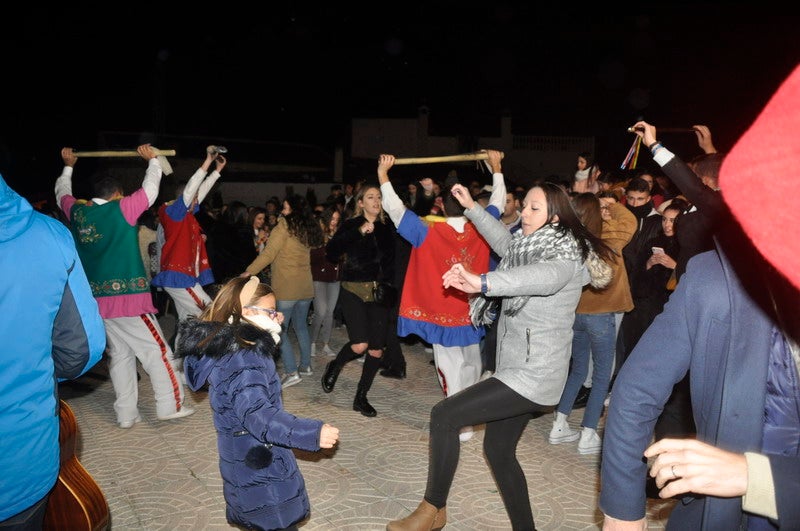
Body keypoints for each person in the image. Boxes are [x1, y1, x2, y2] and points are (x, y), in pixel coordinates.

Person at [599, 64, 800, 530]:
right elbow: (635, 390)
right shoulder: (717, 273)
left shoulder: (708, 206)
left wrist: (756, 478)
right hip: (700, 303)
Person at [386, 180, 613, 530]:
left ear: (555, 217)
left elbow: (538, 278)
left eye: (534, 208)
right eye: (524, 205)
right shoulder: (527, 245)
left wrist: (483, 282)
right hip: (515, 368)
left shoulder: (565, 257)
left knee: (445, 415)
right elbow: (505, 244)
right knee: (499, 452)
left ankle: (434, 510)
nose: (523, 212)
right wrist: (472, 208)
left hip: (534, 374)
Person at [175, 276, 339, 531]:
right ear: (247, 312)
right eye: (272, 312)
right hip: (260, 462)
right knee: (274, 518)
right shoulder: (244, 357)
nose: (278, 317)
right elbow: (257, 414)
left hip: (244, 455)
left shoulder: (231, 344)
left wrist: (269, 324)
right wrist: (311, 433)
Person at [55, 144, 195, 428]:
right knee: (157, 351)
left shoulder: (78, 213)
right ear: (117, 194)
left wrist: (68, 165)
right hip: (128, 299)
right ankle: (170, 404)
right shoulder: (123, 209)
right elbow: (150, 191)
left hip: (98, 302)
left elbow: (61, 195)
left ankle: (126, 413)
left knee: (120, 355)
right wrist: (153, 161)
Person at [377, 151, 507, 442]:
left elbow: (395, 210)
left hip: (439, 314)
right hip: (472, 310)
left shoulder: (427, 229)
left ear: (441, 206)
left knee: (449, 367)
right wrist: (497, 168)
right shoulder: (483, 227)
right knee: (472, 364)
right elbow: (498, 202)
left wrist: (383, 175)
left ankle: (458, 417)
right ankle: (469, 415)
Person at [0, 174, 106, 529]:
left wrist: (66, 171)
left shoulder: (76, 215)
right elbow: (81, 350)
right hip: (20, 463)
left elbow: (65, 199)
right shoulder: (45, 233)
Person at [550, 192, 636, 455]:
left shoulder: (568, 239)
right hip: (601, 316)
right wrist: (612, 205)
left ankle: (559, 425)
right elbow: (630, 220)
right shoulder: (608, 238)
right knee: (601, 376)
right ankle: (588, 434)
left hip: (576, 314)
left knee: (577, 370)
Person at [321, 182, 396, 417]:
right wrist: (357, 232)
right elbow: (332, 252)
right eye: (370, 197)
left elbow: (395, 260)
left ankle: (361, 397)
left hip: (379, 293)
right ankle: (336, 364)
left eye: (379, 197)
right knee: (359, 345)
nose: (376, 201)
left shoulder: (387, 226)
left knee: (376, 350)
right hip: (353, 289)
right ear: (361, 202)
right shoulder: (351, 225)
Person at [242, 194, 324, 388]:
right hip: (305, 287)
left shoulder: (284, 226)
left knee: (281, 330)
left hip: (287, 287)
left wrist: (249, 271)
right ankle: (306, 366)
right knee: (302, 326)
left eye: (285, 208)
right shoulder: (307, 228)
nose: (282, 212)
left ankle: (291, 371)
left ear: (293, 210)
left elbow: (269, 254)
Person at [151, 147, 226, 342]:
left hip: (180, 277)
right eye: (193, 198)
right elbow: (192, 188)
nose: (197, 201)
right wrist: (207, 162)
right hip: (180, 278)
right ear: (183, 199)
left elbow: (197, 192)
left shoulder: (185, 215)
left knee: (186, 323)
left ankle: (182, 367)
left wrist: (216, 172)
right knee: (213, 313)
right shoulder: (174, 214)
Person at [309, 204, 342, 358]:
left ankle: (326, 344)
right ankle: (312, 342)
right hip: (318, 278)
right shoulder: (317, 235)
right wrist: (327, 247)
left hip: (335, 278)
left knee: (330, 312)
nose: (334, 222)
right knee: (320, 312)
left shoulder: (339, 234)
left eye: (337, 219)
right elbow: (312, 257)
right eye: (332, 218)